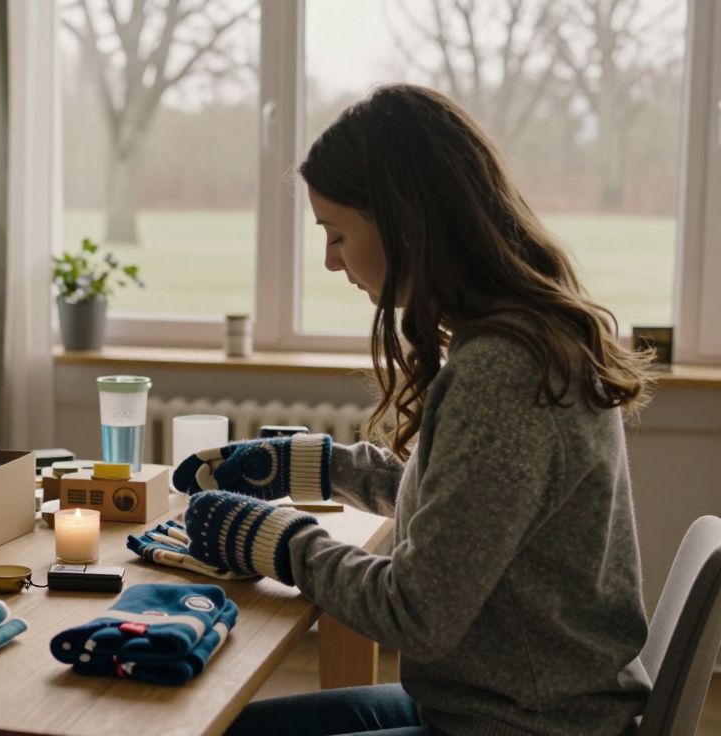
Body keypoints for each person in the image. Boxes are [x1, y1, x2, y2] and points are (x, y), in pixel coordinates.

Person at [173, 84, 654, 734]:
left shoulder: (502, 372)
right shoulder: (524, 338)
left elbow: (417, 614)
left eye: (338, 234)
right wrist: (312, 466)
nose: (331, 260)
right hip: (518, 705)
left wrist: (279, 543)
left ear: (405, 219)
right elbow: (471, 510)